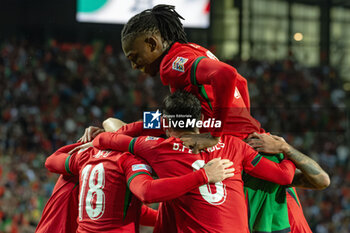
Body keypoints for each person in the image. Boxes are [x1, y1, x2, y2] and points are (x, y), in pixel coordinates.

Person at [118, 4, 324, 232]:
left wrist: (215, 133)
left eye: (134, 56)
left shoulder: (170, 65)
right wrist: (242, 119)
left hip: (244, 161)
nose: (134, 65)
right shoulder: (193, 49)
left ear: (152, 43)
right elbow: (240, 81)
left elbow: (226, 75)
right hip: (255, 148)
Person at [89, 91, 323, 233]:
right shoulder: (235, 143)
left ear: (166, 124)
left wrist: (99, 132)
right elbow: (286, 176)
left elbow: (110, 132)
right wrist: (283, 149)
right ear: (201, 118)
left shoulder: (154, 146)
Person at [44, 139, 234, 232]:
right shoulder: (129, 160)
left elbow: (51, 162)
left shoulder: (87, 156)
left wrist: (84, 144)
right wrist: (202, 176)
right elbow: (145, 192)